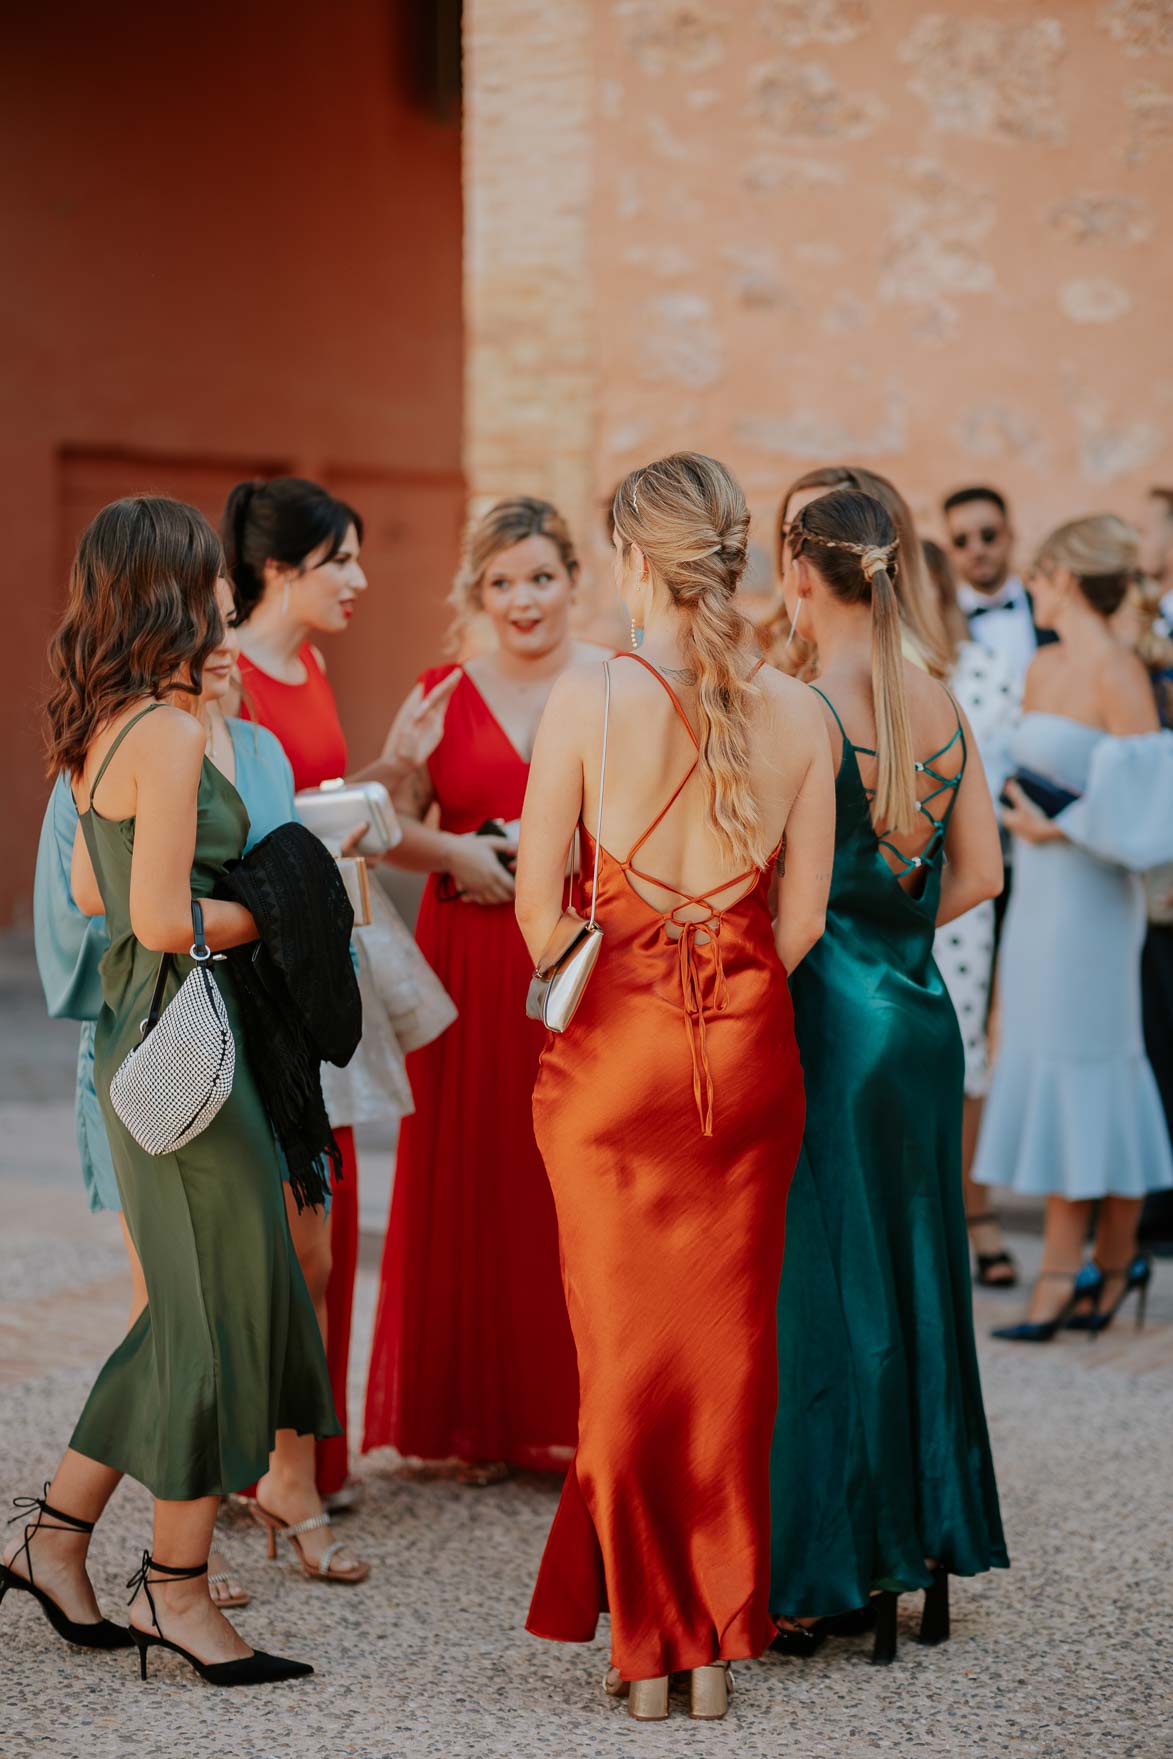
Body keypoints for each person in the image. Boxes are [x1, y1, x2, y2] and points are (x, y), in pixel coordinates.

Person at [517, 453, 835, 1722]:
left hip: (614, 1061)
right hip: (750, 1059)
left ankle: (650, 1648)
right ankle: (707, 1636)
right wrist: (724, 978)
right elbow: (799, 925)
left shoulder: (588, 695)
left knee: (623, 1355)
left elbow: (542, 912)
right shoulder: (803, 716)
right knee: (727, 1353)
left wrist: (634, 961)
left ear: (632, 559)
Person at [2, 496, 336, 1685]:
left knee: (188, 1308)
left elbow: (97, 898)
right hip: (188, 1055)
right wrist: (293, 906)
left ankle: (55, 1536)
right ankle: (175, 1590)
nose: (222, 602)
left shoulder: (110, 723)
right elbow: (153, 916)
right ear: (172, 591)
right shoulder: (168, 734)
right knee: (215, 1316)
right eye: (208, 581)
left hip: (152, 1046)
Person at [767, 487, 1008, 1664]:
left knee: (832, 1291)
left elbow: (793, 908)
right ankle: (924, 1543)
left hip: (827, 1019)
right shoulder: (938, 697)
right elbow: (982, 873)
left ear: (800, 574)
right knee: (920, 1278)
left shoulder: (804, 706)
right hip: (918, 1023)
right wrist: (898, 941)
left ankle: (839, 1568)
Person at [223, 476, 453, 1568]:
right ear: (281, 568)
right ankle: (255, 1463)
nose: (362, 580)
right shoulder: (226, 677)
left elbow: (320, 810)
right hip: (264, 982)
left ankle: (310, 1457)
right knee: (281, 1228)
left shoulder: (307, 666)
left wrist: (395, 767)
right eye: (342, 561)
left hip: (328, 963)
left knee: (327, 1210)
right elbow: (249, 838)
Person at [363, 497, 608, 1481]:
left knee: (567, 1179)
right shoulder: (436, 691)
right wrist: (452, 847)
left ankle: (571, 1408)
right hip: (463, 957)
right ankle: (472, 1417)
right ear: (476, 591)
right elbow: (378, 820)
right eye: (502, 582)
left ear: (571, 584)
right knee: (472, 1174)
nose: (523, 600)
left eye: (540, 577)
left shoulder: (608, 684)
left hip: (570, 958)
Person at [973, 516, 1173, 1338]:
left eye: (1038, 576)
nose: (1030, 589)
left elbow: (1153, 807)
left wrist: (1066, 826)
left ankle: (1062, 1273)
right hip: (1038, 901)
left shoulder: (1118, 672)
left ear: (1063, 576)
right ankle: (1118, 1255)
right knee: (1052, 1057)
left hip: (1091, 905)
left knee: (1091, 1066)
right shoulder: (1042, 663)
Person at [922, 539, 1020, 1287]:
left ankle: (970, 1207)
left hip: (959, 881)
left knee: (961, 1046)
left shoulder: (981, 673)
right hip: (868, 887)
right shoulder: (865, 676)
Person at [763, 464, 952, 681]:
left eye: (814, 535)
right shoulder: (778, 647)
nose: (793, 551)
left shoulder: (893, 663)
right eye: (788, 533)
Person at [943, 486, 1056, 689]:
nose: (977, 550)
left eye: (988, 535)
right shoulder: (941, 621)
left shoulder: (1051, 606)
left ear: (1010, 536)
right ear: (950, 549)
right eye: (961, 541)